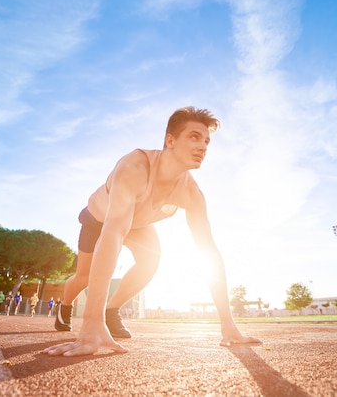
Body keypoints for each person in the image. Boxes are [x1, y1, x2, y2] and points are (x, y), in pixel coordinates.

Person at [43, 106, 261, 357]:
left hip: (137, 223)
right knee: (83, 276)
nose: (203, 146)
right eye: (193, 137)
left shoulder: (192, 193)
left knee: (151, 260)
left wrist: (228, 325)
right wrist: (90, 323)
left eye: (206, 141)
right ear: (170, 140)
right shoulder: (134, 167)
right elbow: (113, 231)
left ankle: (110, 310)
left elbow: (208, 251)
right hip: (100, 219)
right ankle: (66, 306)